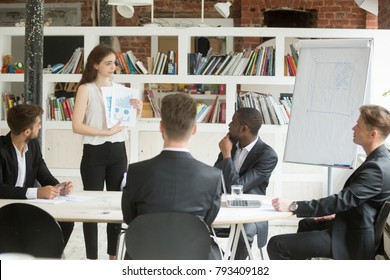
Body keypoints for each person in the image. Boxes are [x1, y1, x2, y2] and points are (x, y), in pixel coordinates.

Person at [267, 104, 390, 260]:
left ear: (372, 134)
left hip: (351, 240)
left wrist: (294, 205)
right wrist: (336, 215)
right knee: (306, 224)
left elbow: (340, 201)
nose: (353, 128)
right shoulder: (381, 159)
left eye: (358, 125)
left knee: (276, 244)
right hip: (351, 225)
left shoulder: (376, 169)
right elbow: (356, 201)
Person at [121, 93, 222, 259]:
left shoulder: (137, 171)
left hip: (144, 257)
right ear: (194, 129)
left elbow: (130, 218)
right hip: (194, 258)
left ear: (161, 126)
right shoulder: (213, 176)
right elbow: (207, 222)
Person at [72, 43, 143, 260]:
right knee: (91, 208)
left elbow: (126, 124)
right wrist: (106, 131)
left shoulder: (121, 90)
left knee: (116, 206)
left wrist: (137, 111)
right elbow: (77, 126)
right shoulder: (86, 89)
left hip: (118, 152)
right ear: (96, 65)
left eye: (114, 63)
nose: (113, 67)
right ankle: (92, 259)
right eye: (108, 63)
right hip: (94, 153)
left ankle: (113, 257)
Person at [0, 104, 74, 246]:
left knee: (66, 222)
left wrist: (58, 187)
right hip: (5, 211)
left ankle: (49, 259)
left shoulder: (33, 146)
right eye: (38, 124)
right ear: (27, 131)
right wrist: (37, 192)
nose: (40, 127)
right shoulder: (1, 148)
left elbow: (44, 174)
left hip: (26, 208)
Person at [214, 107, 278, 259]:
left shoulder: (267, 156)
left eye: (232, 122)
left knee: (243, 234)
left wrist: (226, 155)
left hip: (252, 213)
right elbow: (215, 175)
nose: (229, 125)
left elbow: (238, 187)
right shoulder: (231, 145)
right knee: (196, 224)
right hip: (224, 206)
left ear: (243, 129)